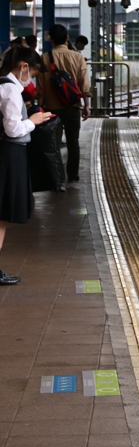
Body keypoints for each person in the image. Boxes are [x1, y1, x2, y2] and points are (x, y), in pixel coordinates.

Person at [0, 47, 54, 285]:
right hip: (9, 155)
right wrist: (32, 121)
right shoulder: (10, 89)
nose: (31, 79)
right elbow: (13, 129)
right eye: (31, 73)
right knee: (2, 215)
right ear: (23, 66)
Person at [40, 24, 91, 183]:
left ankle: (57, 176)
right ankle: (73, 175)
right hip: (72, 106)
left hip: (51, 108)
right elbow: (84, 83)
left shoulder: (45, 58)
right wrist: (86, 104)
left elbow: (41, 87)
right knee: (73, 142)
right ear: (67, 38)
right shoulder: (77, 57)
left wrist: (40, 107)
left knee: (52, 144)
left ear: (51, 39)